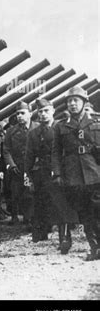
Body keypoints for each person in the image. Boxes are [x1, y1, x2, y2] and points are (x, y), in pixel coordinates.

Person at [52, 86, 100, 261]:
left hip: (94, 173)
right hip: (74, 175)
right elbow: (56, 152)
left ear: (84, 103)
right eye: (69, 101)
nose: (72, 104)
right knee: (84, 213)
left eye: (76, 100)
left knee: (98, 211)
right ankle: (94, 247)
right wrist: (57, 174)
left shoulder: (96, 122)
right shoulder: (60, 126)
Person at [25, 98, 79, 249]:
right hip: (41, 172)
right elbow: (29, 156)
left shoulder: (61, 128)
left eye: (46, 111)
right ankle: (41, 233)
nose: (43, 114)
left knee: (62, 204)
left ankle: (64, 238)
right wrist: (28, 175)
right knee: (41, 203)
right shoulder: (33, 133)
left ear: (53, 111)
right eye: (40, 112)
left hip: (61, 171)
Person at [3, 101, 38, 225]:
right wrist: (11, 165)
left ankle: (29, 218)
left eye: (22, 113)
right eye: (18, 114)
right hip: (17, 167)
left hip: (33, 167)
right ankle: (15, 216)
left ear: (30, 113)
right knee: (15, 192)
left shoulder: (37, 128)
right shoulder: (11, 131)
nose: (19, 116)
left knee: (30, 192)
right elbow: (6, 150)